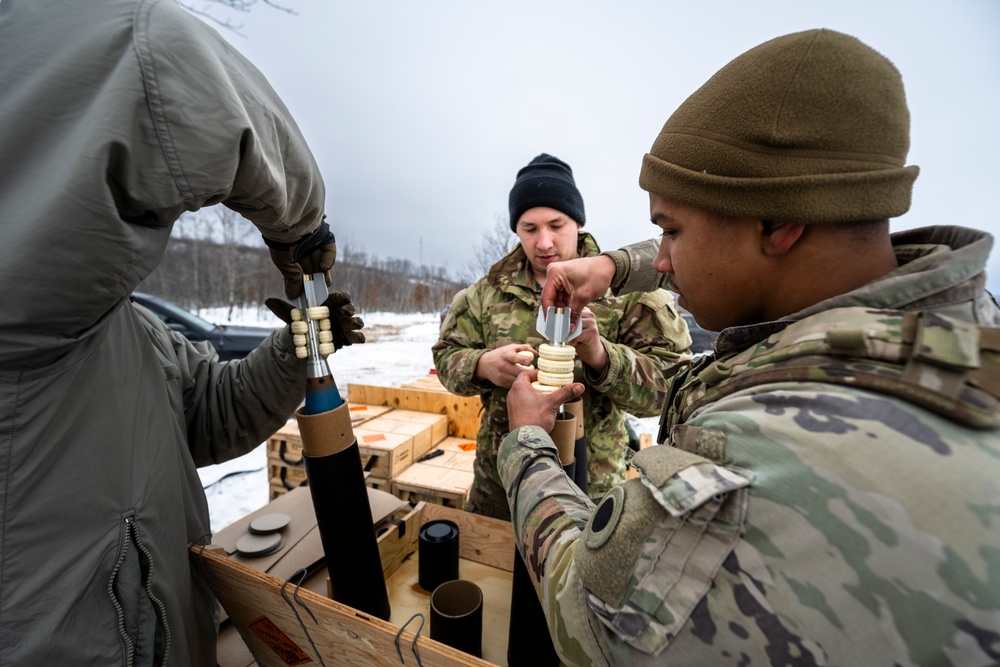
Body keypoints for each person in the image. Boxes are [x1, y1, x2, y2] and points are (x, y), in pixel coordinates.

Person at [499, 29, 1000, 666]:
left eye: (671, 231)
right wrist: (615, 267)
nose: (662, 261)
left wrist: (527, 443)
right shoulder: (951, 330)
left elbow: (584, 619)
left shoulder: (746, 465)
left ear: (780, 222)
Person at [0, 1, 360, 664]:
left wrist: (293, 354)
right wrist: (303, 227)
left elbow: (208, 410)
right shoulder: (26, 310)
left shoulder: (126, 329)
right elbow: (156, 58)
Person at [433, 153, 691, 520]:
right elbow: (446, 357)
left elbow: (668, 393)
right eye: (530, 228)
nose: (544, 242)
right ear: (516, 229)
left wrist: (601, 355)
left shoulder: (627, 293)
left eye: (557, 224)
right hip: (501, 485)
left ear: (578, 221)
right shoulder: (484, 294)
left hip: (591, 491)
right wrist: (483, 365)